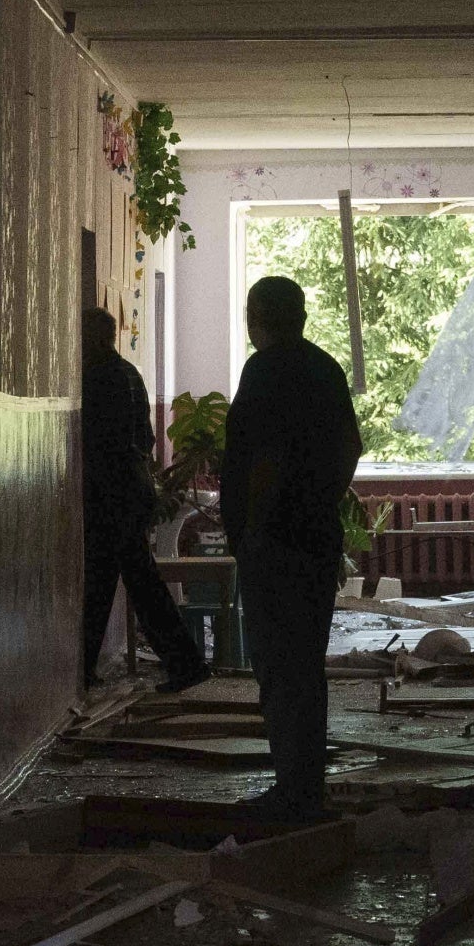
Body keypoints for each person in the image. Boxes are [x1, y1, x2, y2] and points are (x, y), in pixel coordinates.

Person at [220, 275, 362, 825]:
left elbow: (265, 462)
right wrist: (321, 499)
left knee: (278, 669)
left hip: (274, 544)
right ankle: (307, 788)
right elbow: (350, 445)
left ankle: (292, 792)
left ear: (258, 317)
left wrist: (256, 528)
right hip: (315, 538)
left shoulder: (265, 371)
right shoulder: (325, 368)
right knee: (306, 665)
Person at [80, 306, 209, 695]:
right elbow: (148, 440)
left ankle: (186, 663)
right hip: (133, 489)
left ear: (90, 339)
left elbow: (103, 444)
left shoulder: (97, 378)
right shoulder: (130, 374)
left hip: (112, 493)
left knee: (134, 582)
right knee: (112, 581)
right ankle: (87, 669)